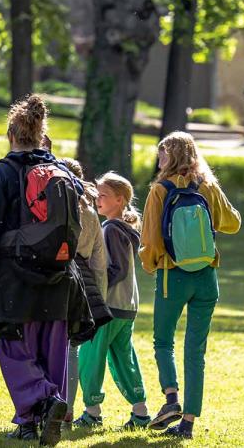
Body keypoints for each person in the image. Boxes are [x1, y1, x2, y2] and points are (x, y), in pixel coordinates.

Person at [0, 95, 91, 445]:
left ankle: (42, 402)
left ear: (12, 134)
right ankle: (35, 421)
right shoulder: (62, 173)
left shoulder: (3, 172)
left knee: (11, 344)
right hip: (60, 273)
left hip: (15, 275)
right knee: (52, 347)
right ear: (42, 134)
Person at [141, 132, 241, 439]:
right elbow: (233, 223)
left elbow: (150, 241)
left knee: (163, 341)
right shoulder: (207, 185)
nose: (159, 161)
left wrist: (150, 265)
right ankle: (187, 424)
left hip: (173, 276)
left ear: (170, 156)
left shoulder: (160, 190)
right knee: (196, 351)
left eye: (162, 155)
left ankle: (171, 398)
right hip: (207, 277)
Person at [75, 171, 150, 431]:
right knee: (123, 358)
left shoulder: (110, 229)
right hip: (127, 307)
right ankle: (140, 412)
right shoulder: (124, 228)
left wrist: (92, 289)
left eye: (104, 195)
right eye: (97, 193)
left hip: (109, 307)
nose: (98, 198)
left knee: (89, 356)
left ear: (120, 200)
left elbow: (114, 268)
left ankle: (92, 412)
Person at [57, 157, 112, 429]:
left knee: (54, 344)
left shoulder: (60, 207)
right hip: (85, 280)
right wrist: (98, 300)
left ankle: (52, 405)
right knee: (72, 348)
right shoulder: (91, 211)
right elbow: (99, 260)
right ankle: (67, 409)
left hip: (60, 274)